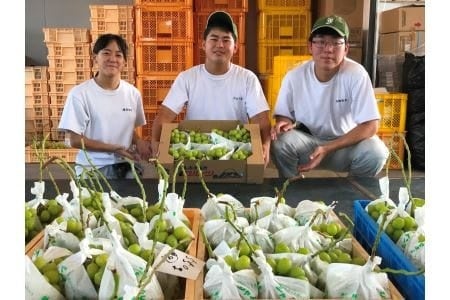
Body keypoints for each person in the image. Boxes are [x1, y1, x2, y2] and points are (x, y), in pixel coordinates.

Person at [270, 15, 389, 178]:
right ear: (310, 46)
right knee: (280, 142)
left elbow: (371, 125)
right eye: (320, 42)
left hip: (345, 145)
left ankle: (352, 192)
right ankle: (291, 190)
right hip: (308, 144)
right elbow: (284, 115)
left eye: (336, 43)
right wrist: (284, 122)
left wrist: (328, 147)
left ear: (346, 48)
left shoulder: (356, 74)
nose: (328, 49)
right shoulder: (294, 76)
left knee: (376, 152)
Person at [150, 11, 271, 166]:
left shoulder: (247, 79)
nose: (219, 45)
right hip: (194, 150)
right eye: (214, 39)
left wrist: (265, 145)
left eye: (226, 40)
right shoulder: (188, 78)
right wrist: (156, 141)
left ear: (235, 48)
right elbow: (165, 115)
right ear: (203, 45)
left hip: (235, 150)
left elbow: (260, 119)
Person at [58, 33, 151, 179]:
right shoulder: (80, 94)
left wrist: (138, 141)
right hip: (93, 168)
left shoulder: (132, 94)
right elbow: (74, 140)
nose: (112, 59)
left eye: (118, 55)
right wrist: (113, 149)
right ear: (95, 58)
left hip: (128, 165)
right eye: (106, 53)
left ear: (125, 62)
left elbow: (128, 129)